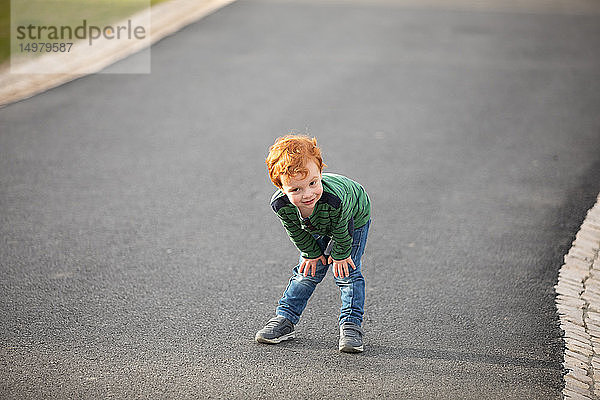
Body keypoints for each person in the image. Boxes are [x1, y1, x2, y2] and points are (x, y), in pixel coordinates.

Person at [255, 134, 371, 353]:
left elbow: (342, 229)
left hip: (351, 219)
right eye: (296, 189)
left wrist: (340, 253)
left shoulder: (335, 199)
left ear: (320, 173)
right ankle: (285, 319)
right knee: (307, 272)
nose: (307, 194)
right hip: (314, 224)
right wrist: (311, 253)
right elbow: (295, 232)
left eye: (313, 183)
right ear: (281, 187)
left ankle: (350, 325)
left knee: (347, 273)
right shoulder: (281, 205)